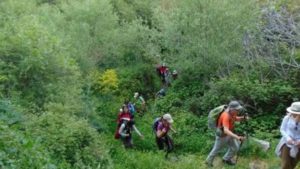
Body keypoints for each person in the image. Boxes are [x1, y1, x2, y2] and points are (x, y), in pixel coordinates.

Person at [205, 101, 248, 167]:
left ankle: (226, 159)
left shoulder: (232, 113)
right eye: (237, 109)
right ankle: (208, 162)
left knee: (235, 147)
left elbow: (234, 119)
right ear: (231, 109)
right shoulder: (225, 115)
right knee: (216, 149)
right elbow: (226, 130)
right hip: (222, 135)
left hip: (230, 134)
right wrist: (237, 137)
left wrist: (243, 118)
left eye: (238, 109)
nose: (238, 111)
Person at [275, 102, 300, 169]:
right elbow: (282, 129)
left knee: (293, 164)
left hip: (298, 145)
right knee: (285, 164)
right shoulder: (287, 118)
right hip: (287, 143)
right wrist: (288, 138)